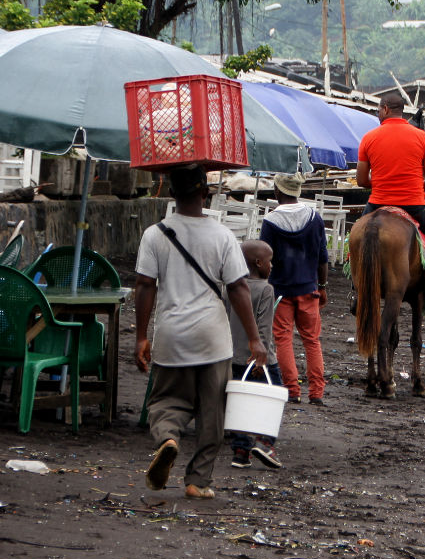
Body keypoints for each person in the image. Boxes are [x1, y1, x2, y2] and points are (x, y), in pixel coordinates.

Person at [133, 164, 266, 500]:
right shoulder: (222, 235)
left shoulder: (154, 234)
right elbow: (238, 287)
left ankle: (168, 438)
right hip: (212, 338)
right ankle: (198, 480)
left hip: (172, 334)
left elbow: (145, 285)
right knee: (212, 412)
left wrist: (141, 336)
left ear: (172, 194)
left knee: (165, 400)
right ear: (205, 193)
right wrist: (253, 338)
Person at [357, 93, 425, 303]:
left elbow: (362, 180)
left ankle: (356, 288)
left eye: (378, 110)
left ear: (384, 109)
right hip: (414, 203)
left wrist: (383, 183)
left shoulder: (369, 138)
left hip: (378, 202)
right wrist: (414, 186)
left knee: (356, 237)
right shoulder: (422, 137)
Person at [259, 173, 329, 406]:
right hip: (309, 289)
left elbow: (264, 259)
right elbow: (322, 258)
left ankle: (292, 390)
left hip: (281, 291)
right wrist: (323, 286)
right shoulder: (314, 217)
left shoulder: (271, 221)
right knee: (312, 340)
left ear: (278, 192)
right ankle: (317, 392)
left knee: (283, 340)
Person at [226, 240, 284, 469]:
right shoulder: (266, 289)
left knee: (240, 404)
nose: (272, 266)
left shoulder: (229, 287)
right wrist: (263, 356)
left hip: (234, 356)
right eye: (270, 261)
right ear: (259, 263)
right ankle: (265, 442)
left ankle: (240, 451)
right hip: (262, 357)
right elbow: (264, 327)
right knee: (275, 396)